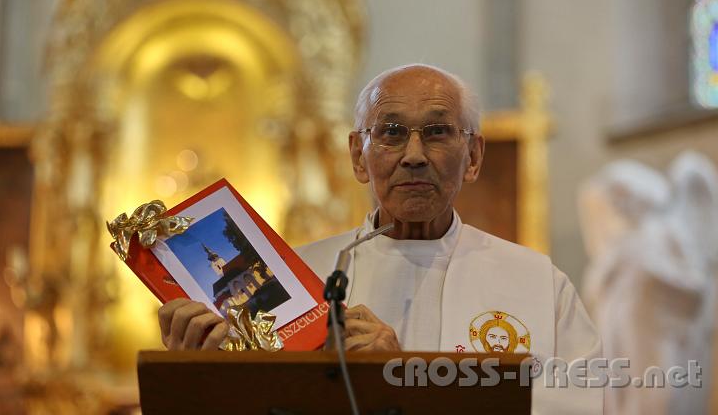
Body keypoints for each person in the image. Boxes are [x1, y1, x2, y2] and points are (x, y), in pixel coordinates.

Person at [158, 64, 602, 414]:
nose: (413, 156)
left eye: (437, 132)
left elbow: (583, 406)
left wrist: (405, 378)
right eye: (390, 132)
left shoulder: (537, 284)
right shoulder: (294, 280)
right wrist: (197, 373)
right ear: (357, 156)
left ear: (473, 156)